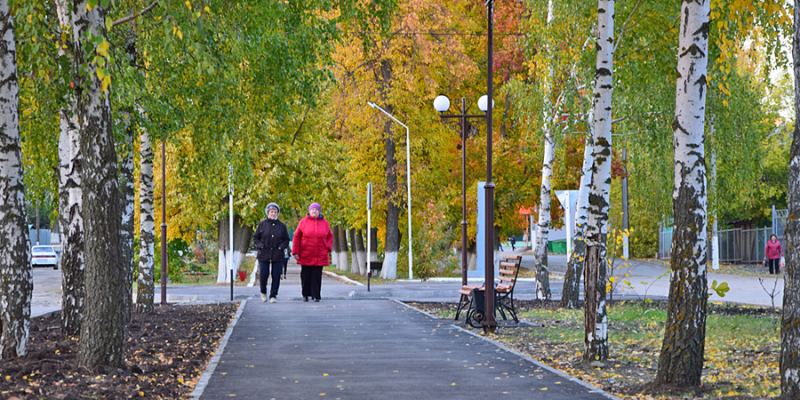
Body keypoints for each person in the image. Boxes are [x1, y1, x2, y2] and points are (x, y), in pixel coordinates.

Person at [292, 202, 333, 302]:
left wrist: (327, 247)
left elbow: (330, 236)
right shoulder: (303, 222)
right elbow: (297, 236)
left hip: (320, 254)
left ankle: (316, 295)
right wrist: (295, 251)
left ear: (319, 211)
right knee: (306, 275)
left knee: (317, 275)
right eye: (312, 210)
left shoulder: (325, 223)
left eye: (316, 210)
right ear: (309, 211)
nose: (314, 211)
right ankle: (305, 294)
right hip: (306, 253)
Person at [252, 203, 290, 303]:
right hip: (264, 253)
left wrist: (281, 246)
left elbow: (286, 239)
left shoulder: (281, 226)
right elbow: (255, 238)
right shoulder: (262, 224)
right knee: (264, 274)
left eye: (275, 212)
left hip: (277, 254)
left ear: (278, 213)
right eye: (271, 212)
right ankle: (263, 292)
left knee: (276, 275)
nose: (273, 213)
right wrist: (261, 245)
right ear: (268, 212)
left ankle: (273, 295)